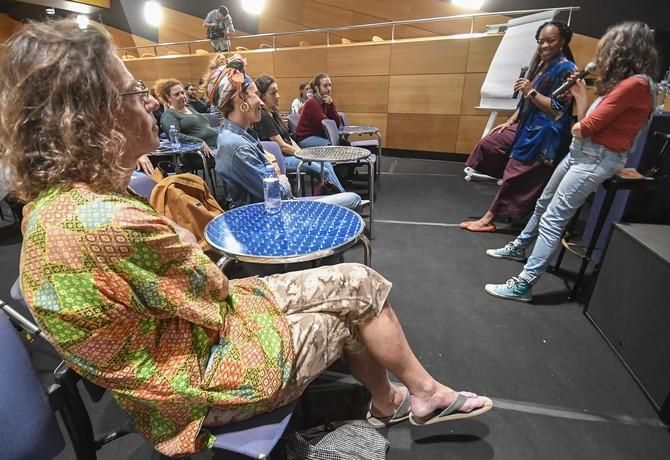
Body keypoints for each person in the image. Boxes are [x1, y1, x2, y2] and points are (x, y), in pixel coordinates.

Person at [0, 19, 491, 458]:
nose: (150, 102)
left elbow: (188, 289)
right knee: (348, 315)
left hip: (185, 346)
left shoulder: (54, 207)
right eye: (135, 92)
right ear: (93, 116)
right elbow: (212, 290)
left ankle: (416, 396)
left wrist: (179, 241)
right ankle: (403, 400)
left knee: (358, 281)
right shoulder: (106, 221)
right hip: (198, 386)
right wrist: (182, 243)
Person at [484, 22, 659, 302]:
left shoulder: (635, 85)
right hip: (581, 154)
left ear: (623, 52)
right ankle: (520, 246)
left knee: (554, 219)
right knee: (543, 203)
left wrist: (579, 97)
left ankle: (525, 284)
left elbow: (582, 127)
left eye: (608, 51)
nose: (602, 58)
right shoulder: (628, 84)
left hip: (595, 159)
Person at [460, 21, 577, 232]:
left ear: (563, 42)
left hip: (543, 134)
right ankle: (516, 193)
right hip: (525, 125)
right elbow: (526, 102)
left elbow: (557, 109)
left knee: (515, 173)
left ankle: (488, 219)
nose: (544, 46)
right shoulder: (542, 65)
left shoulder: (567, 70)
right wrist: (511, 120)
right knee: (491, 143)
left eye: (550, 41)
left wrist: (530, 91)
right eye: (541, 41)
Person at [216, 60, 360, 209]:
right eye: (256, 95)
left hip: (276, 208)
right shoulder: (238, 146)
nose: (261, 102)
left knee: (341, 189)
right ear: (240, 100)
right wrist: (282, 178)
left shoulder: (238, 136)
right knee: (353, 199)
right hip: (277, 215)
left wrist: (273, 166)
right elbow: (278, 193)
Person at [254, 75, 347, 193]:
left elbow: (288, 139)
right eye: (273, 93)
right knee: (325, 170)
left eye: (277, 92)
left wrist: (303, 153)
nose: (278, 96)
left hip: (291, 155)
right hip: (281, 159)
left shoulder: (273, 113)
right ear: (261, 96)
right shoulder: (264, 117)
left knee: (326, 163)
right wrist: (303, 155)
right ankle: (342, 197)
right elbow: (282, 146)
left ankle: (342, 194)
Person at [157, 78, 216, 170]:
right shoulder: (168, 115)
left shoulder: (190, 108)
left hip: (215, 146)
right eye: (177, 94)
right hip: (197, 153)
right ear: (168, 97)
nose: (182, 96)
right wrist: (199, 142)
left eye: (182, 92)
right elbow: (175, 136)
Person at [295, 72, 342, 148]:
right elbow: (325, 126)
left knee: (344, 143)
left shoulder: (325, 101)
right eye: (325, 86)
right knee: (333, 147)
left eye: (330, 85)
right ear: (317, 88)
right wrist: (330, 106)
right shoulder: (312, 103)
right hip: (306, 138)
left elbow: (337, 124)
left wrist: (331, 105)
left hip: (318, 135)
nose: (329, 88)